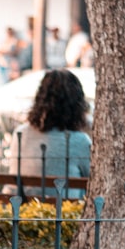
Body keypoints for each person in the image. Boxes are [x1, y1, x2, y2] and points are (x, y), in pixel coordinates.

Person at [8, 68, 92, 199]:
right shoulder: (80, 141)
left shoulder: (20, 134)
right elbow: (93, 180)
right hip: (66, 214)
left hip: (24, 212)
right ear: (77, 104)